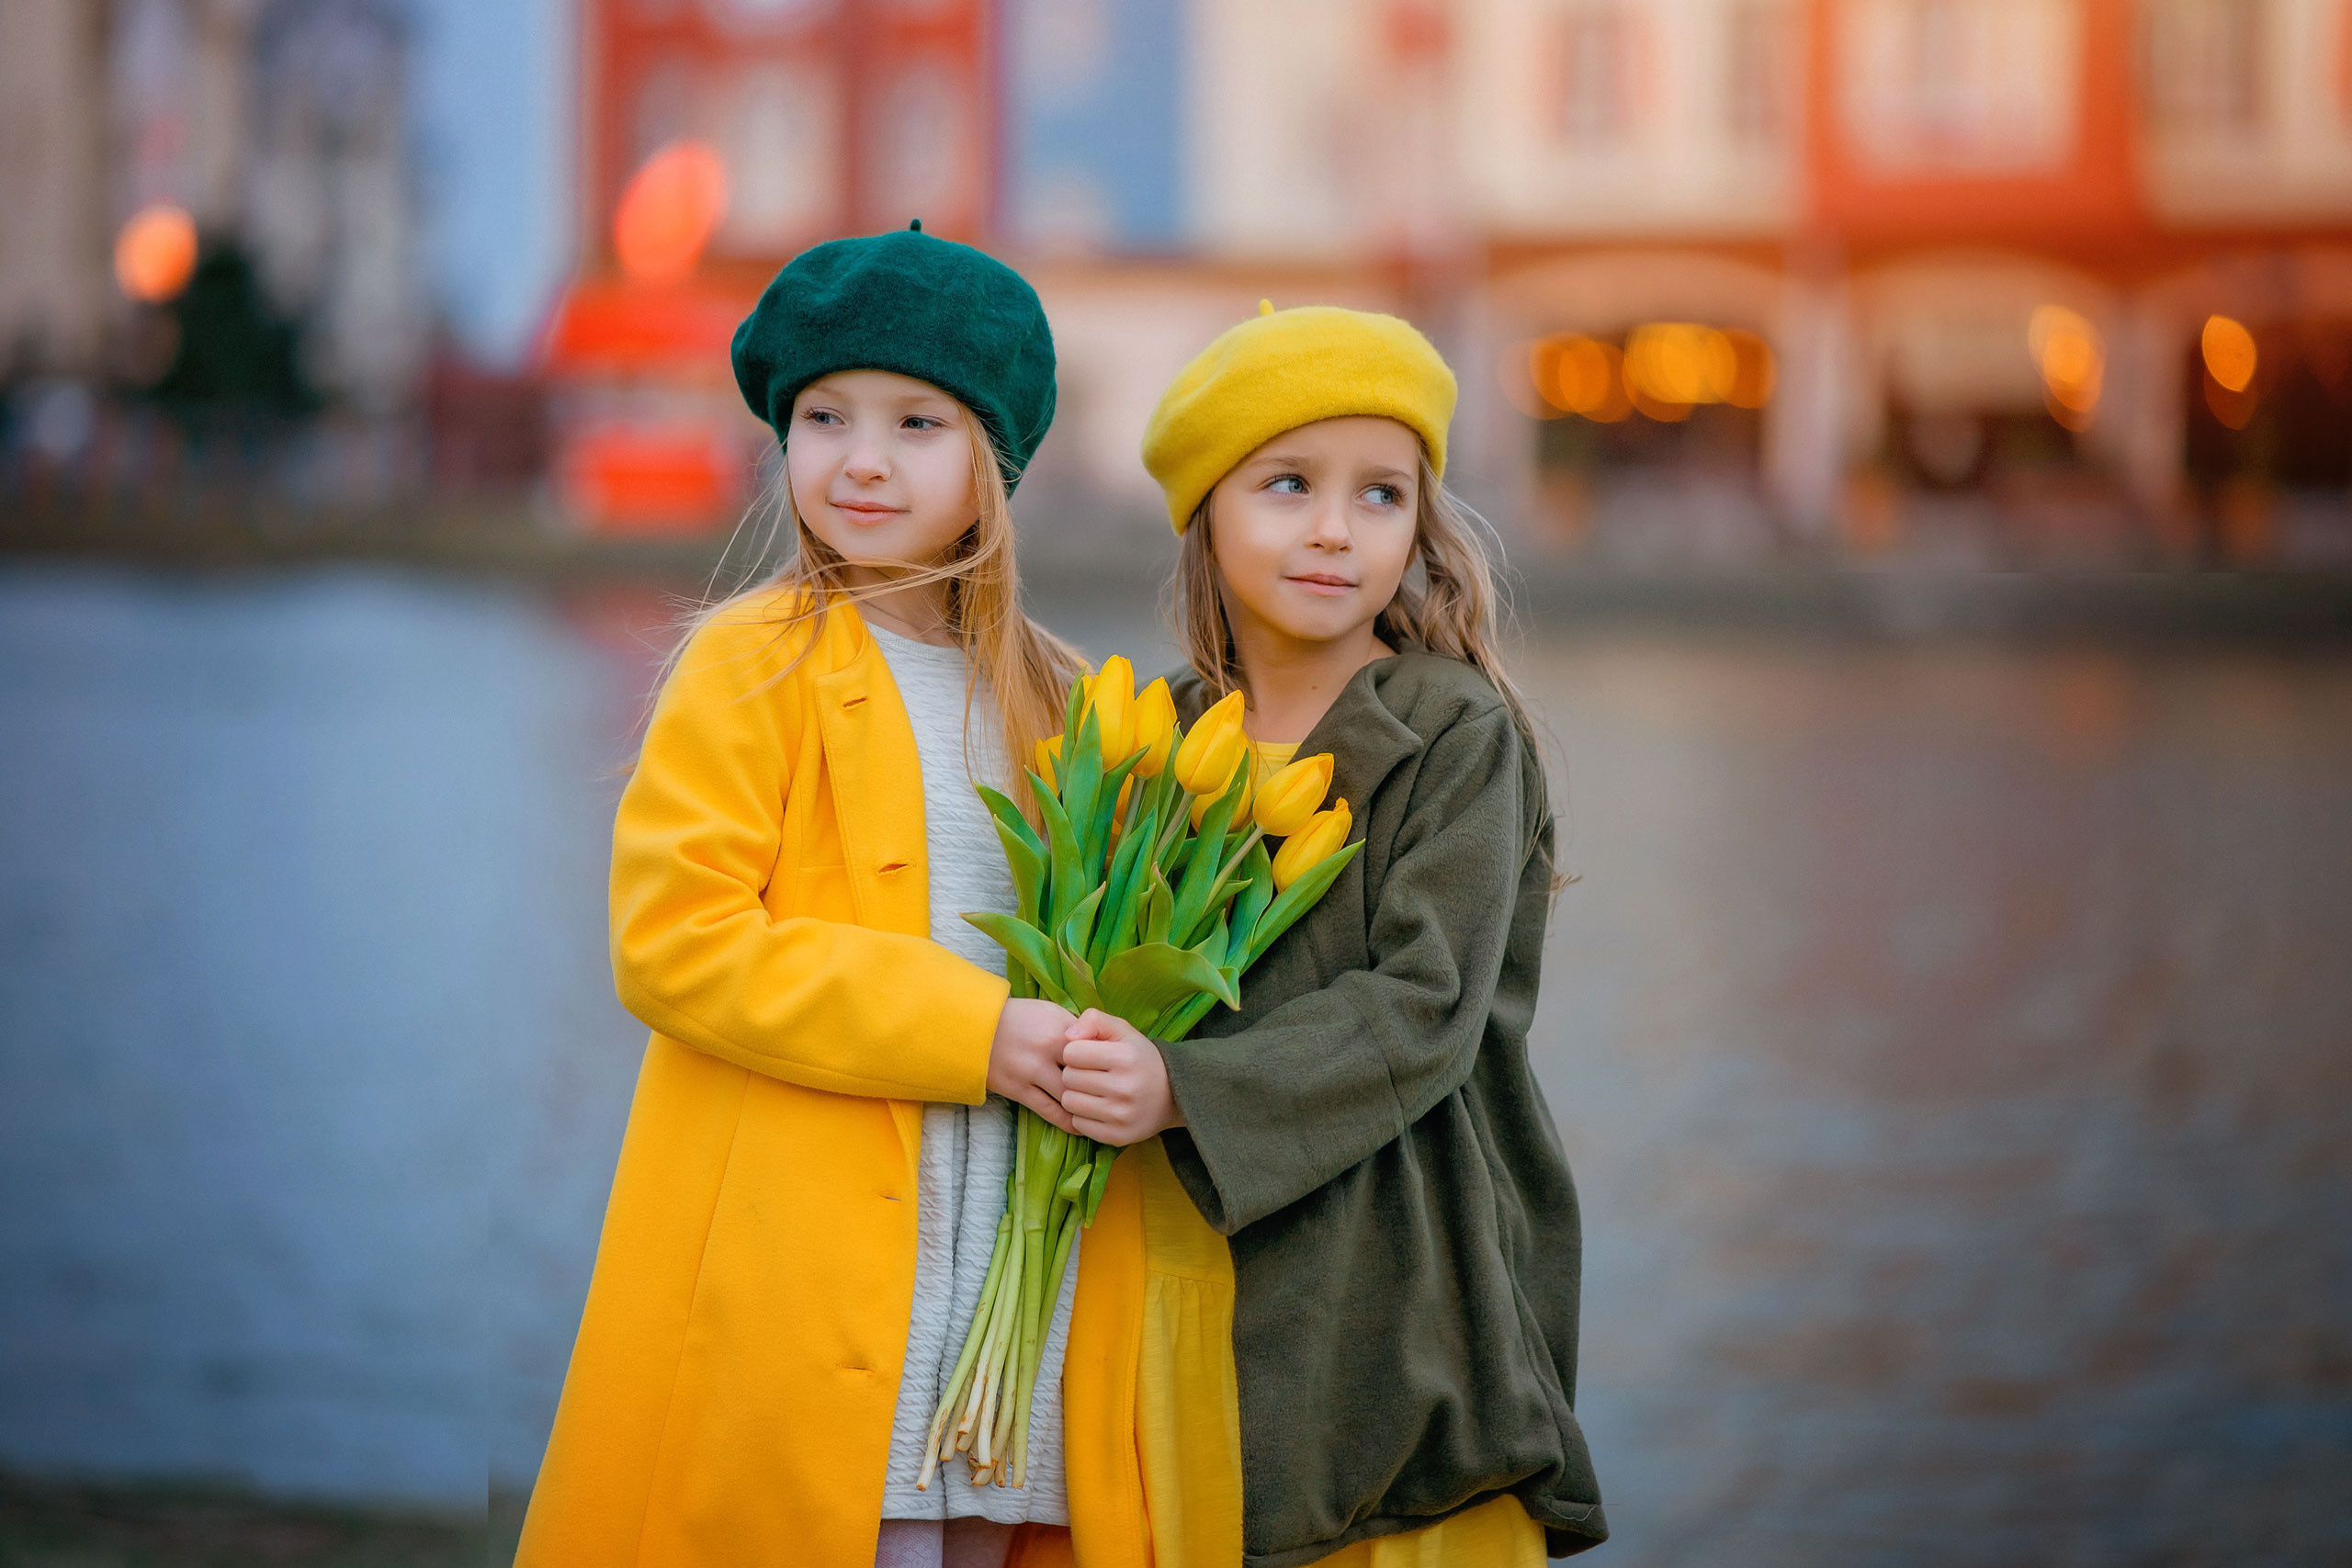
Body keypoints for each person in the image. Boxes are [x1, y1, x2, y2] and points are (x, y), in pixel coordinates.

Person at [515, 225, 1103, 1568]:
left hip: (1013, 1256)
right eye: (824, 416)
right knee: (856, 1522)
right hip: (819, 1261)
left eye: (917, 421)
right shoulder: (750, 663)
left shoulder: (1062, 704)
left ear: (992, 464)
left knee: (989, 1534)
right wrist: (979, 1033)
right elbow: (675, 944)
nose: (864, 457)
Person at [1057, 303, 1610, 1566]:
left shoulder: (1457, 733)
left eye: (1380, 494)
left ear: (1421, 523)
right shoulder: (1160, 741)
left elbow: (1425, 1006)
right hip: (1197, 1272)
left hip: (1401, 1272)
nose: (1331, 529)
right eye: (1288, 484)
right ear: (1206, 513)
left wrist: (1179, 1087)